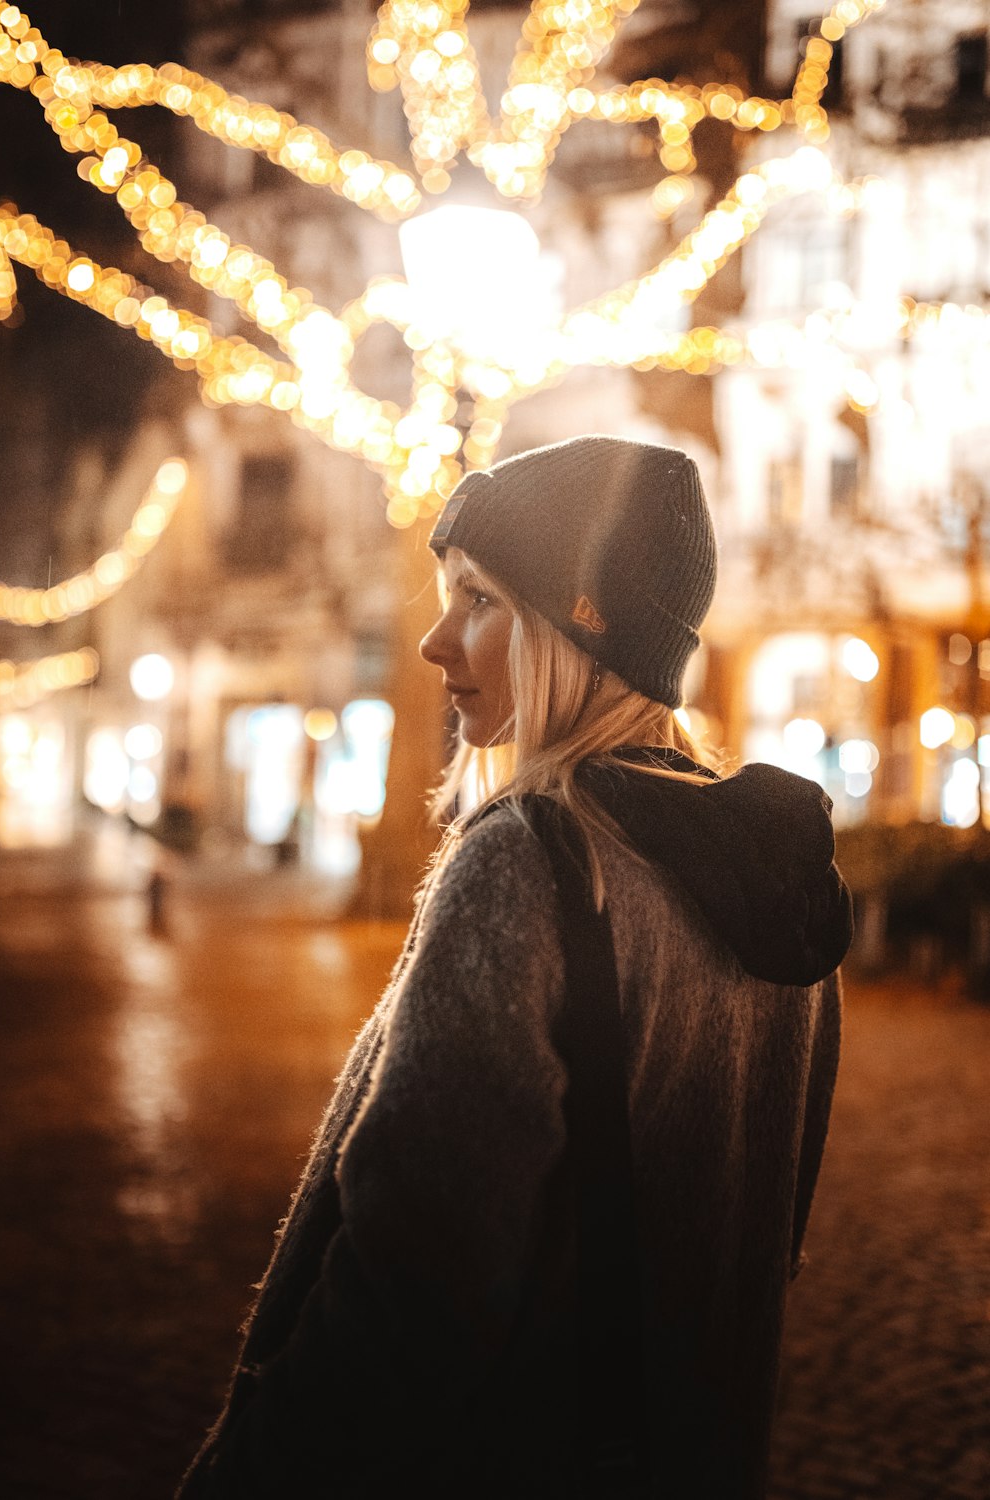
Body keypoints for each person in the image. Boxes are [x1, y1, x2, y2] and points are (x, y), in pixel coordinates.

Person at [179, 435, 852, 1499]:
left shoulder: (531, 862)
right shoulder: (788, 896)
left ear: (580, 627)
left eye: (481, 600)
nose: (435, 642)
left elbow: (409, 1292)